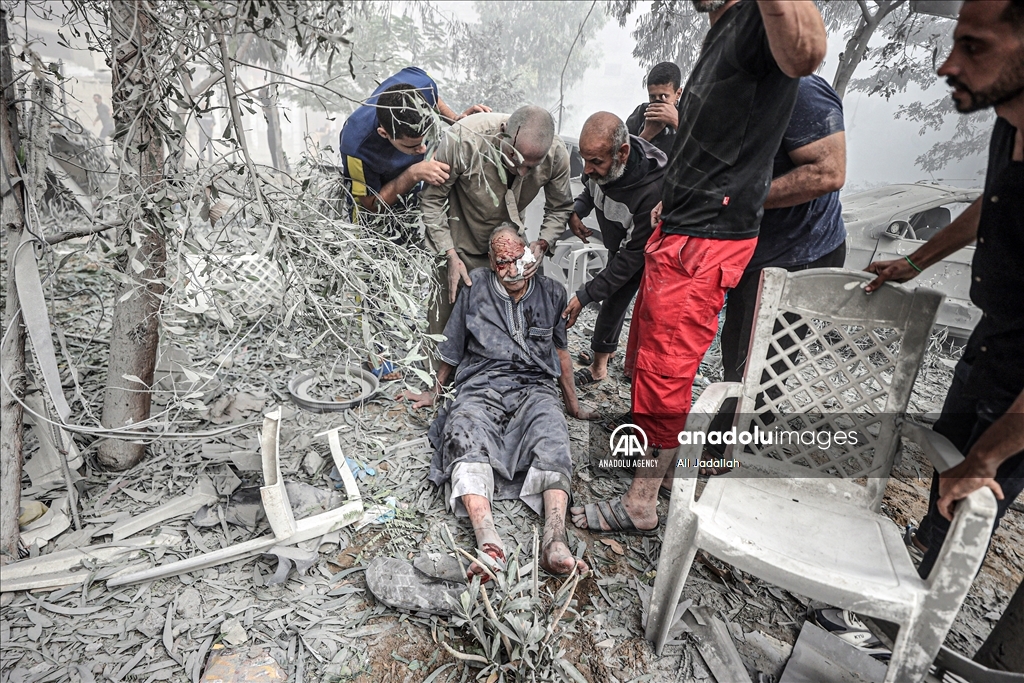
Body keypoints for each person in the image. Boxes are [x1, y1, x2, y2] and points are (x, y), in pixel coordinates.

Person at [571, 0, 827, 534]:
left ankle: (640, 502)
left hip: (705, 240)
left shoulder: (761, 20)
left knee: (666, 368)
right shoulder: (721, 34)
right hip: (684, 226)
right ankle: (660, 469)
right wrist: (677, 199)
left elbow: (806, 50)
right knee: (650, 358)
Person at [865, 0, 1024, 581]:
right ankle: (903, 590)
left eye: (974, 47)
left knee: (975, 495)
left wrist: (990, 456)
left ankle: (919, 636)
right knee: (945, 472)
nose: (947, 65)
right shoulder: (1009, 125)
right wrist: (916, 259)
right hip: (994, 334)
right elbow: (994, 203)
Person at [403, 226, 595, 578]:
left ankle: (555, 541)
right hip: (481, 383)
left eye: (517, 259)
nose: (512, 270)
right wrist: (434, 391)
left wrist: (573, 405)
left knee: (552, 434)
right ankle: (488, 541)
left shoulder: (552, 291)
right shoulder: (475, 287)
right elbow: (454, 345)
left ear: (530, 254)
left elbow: (561, 351)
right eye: (502, 262)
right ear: (491, 262)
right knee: (462, 432)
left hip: (534, 386)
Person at [708, 73, 847, 453]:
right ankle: (729, 428)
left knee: (763, 356)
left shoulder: (800, 91)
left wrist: (740, 197)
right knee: (736, 341)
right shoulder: (733, 89)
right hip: (755, 245)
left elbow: (828, 172)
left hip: (800, 249)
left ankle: (737, 449)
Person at [420, 106, 574, 342]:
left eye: (532, 166)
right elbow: (432, 200)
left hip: (510, 247)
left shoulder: (556, 153)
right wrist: (448, 253)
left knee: (503, 327)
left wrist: (542, 244)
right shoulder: (464, 139)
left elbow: (560, 207)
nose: (522, 171)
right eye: (515, 158)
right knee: (446, 323)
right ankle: (437, 378)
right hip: (459, 243)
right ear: (503, 132)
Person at [560, 112, 667, 386]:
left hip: (639, 254)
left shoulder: (650, 192)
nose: (586, 169)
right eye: (585, 160)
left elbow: (630, 258)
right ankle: (607, 355)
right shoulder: (600, 169)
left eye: (595, 162)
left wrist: (584, 296)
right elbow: (588, 188)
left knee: (614, 300)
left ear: (622, 154)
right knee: (611, 297)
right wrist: (577, 212)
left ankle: (600, 367)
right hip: (617, 245)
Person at [339, 66, 489, 224]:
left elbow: (433, 97)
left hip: (408, 185)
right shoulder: (356, 148)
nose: (423, 149)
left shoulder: (422, 83)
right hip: (374, 206)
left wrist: (455, 120)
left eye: (425, 140)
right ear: (384, 133)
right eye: (412, 146)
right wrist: (413, 174)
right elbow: (371, 204)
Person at [625, 62, 683, 156]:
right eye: (652, 97)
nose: (658, 102)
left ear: (678, 94)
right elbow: (623, 159)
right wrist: (647, 134)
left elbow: (703, 153)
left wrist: (676, 122)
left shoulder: (689, 114)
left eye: (664, 96)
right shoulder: (641, 114)